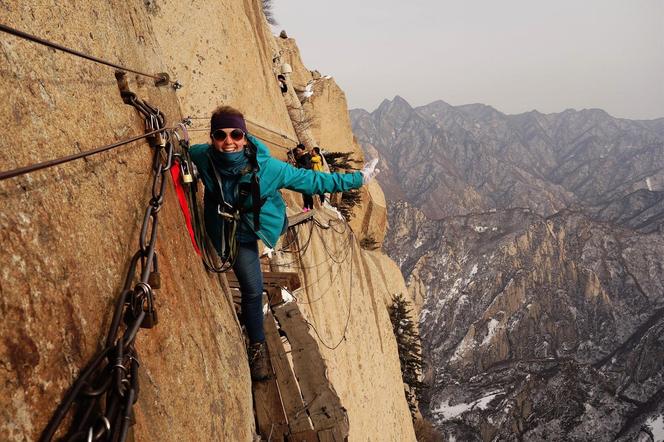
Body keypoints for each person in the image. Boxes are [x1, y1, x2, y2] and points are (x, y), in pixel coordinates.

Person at [189, 106, 379, 380]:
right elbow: (183, 150)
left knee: (253, 290)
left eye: (235, 134)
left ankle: (256, 346)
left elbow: (314, 181)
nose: (228, 141)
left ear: (244, 137)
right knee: (236, 273)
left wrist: (357, 179)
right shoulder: (203, 157)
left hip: (245, 235)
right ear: (212, 137)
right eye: (220, 134)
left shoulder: (269, 169)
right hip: (218, 230)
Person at [293, 144, 315, 212]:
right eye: (297, 150)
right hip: (304, 175)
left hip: (307, 176)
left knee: (307, 192)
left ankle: (309, 207)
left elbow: (308, 166)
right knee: (305, 192)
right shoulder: (301, 156)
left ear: (302, 150)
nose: (297, 151)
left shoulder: (305, 157)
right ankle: (307, 207)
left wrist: (298, 165)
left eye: (299, 150)